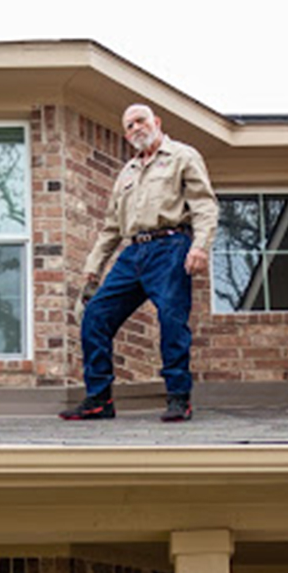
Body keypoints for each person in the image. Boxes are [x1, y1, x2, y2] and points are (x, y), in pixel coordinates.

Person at [60, 103, 218, 423]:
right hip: (132, 253)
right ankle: (99, 400)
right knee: (95, 316)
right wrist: (94, 265)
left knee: (172, 320)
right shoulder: (127, 173)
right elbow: (111, 226)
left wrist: (200, 246)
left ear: (156, 122)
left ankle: (178, 398)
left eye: (140, 121)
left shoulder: (182, 156)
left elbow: (204, 205)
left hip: (171, 246)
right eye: (129, 126)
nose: (135, 129)